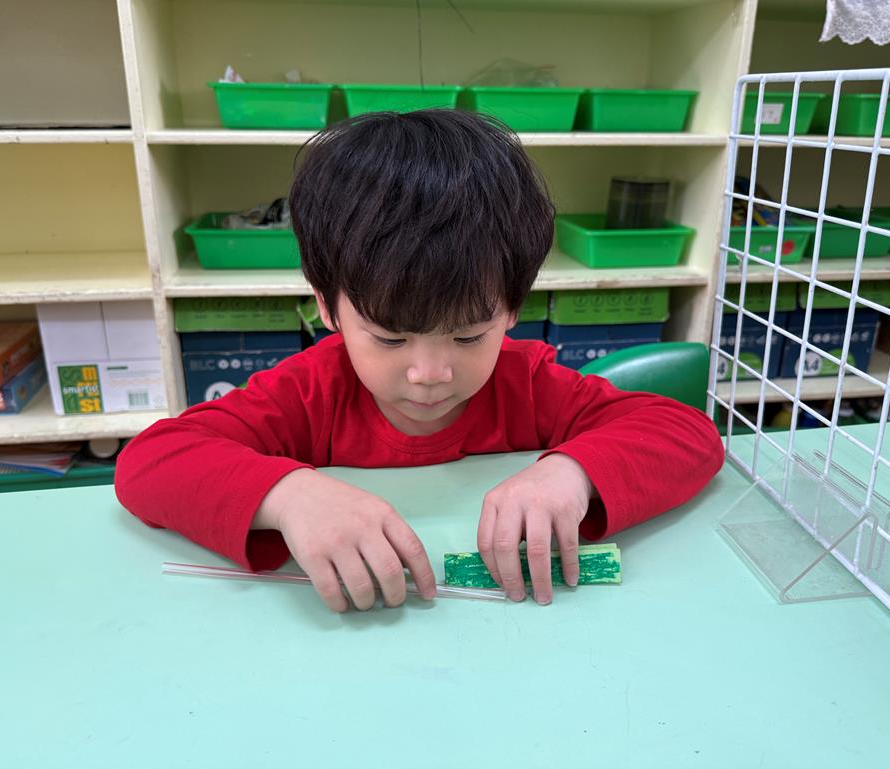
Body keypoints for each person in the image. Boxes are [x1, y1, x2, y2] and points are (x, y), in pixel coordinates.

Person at [115, 109, 724, 613]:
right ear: (327, 306)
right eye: (389, 338)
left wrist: (572, 473)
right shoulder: (308, 394)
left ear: (513, 308)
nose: (430, 374)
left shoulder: (528, 385)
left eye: (468, 337)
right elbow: (149, 462)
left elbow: (688, 433)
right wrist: (289, 495)